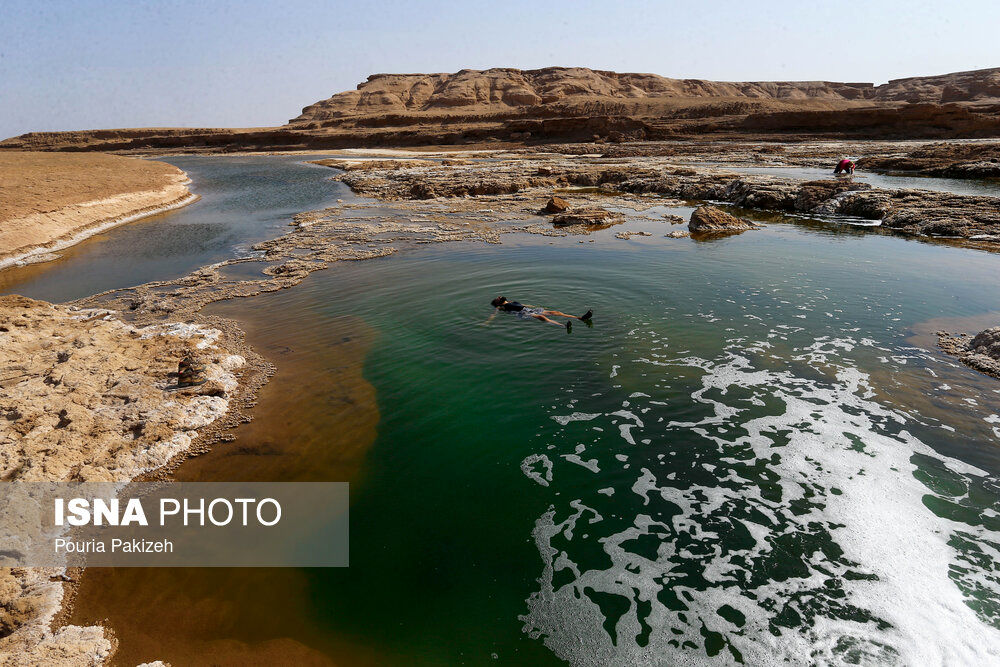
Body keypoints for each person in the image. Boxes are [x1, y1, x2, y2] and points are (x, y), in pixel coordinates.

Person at [488, 296, 593, 332]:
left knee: (555, 312)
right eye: (497, 298)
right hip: (522, 313)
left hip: (528, 310)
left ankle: (580, 318)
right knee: (541, 317)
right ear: (497, 302)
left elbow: (524, 304)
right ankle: (564, 326)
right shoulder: (500, 307)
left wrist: (534, 307)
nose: (499, 297)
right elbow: (494, 313)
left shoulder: (511, 301)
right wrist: (488, 321)